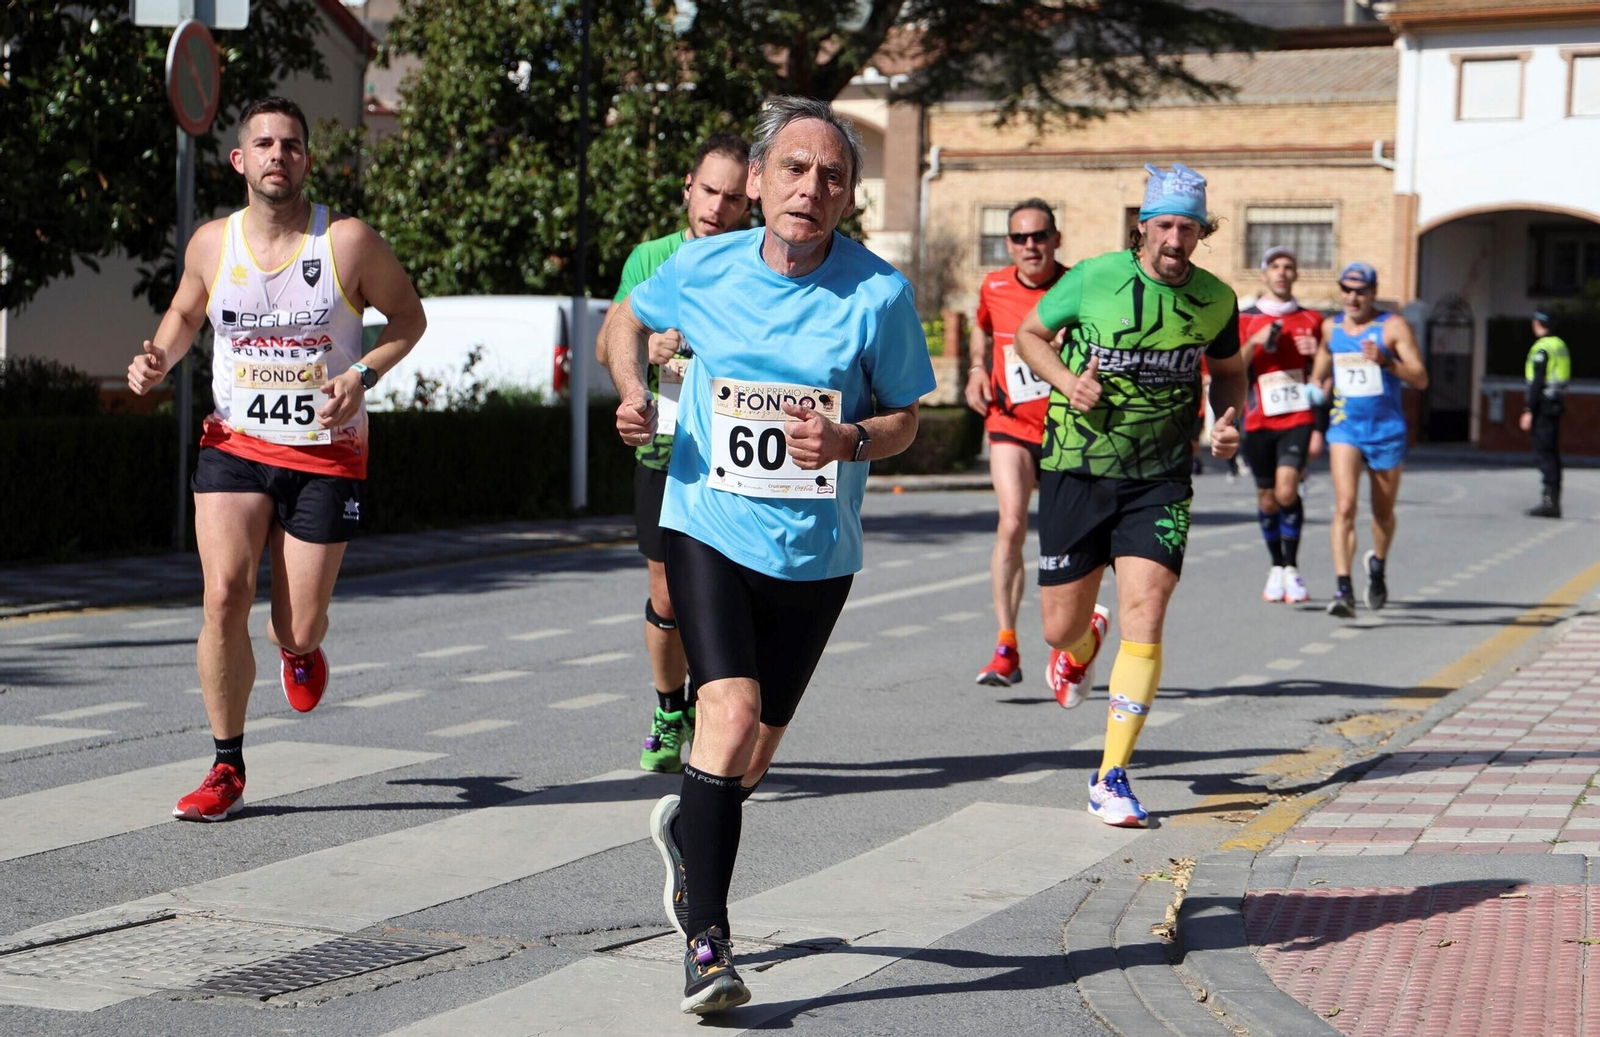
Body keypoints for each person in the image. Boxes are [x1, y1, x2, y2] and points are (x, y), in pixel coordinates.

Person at [601, 96, 934, 1015]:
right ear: (757, 181)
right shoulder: (699, 268)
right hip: (709, 521)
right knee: (730, 711)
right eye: (793, 169)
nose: (810, 189)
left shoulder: (879, 294)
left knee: (750, 755)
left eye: (832, 176)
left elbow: (908, 418)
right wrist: (634, 392)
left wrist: (852, 439)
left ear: (849, 196)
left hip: (818, 554)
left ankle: (688, 835)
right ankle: (706, 940)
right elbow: (621, 326)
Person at [126, 97, 425, 821]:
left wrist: (363, 376)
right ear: (239, 160)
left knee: (298, 625)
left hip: (326, 452)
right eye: (263, 143)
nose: (277, 155)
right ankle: (225, 765)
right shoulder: (210, 244)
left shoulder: (346, 243)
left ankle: (297, 648)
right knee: (222, 595)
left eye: (291, 144)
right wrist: (159, 355)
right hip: (235, 443)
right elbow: (187, 310)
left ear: (307, 161)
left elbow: (409, 320)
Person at [1013, 163, 1245, 827]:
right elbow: (1030, 335)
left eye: (1190, 227)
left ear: (1204, 231)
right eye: (1166, 224)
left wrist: (1227, 423)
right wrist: (1065, 381)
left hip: (1161, 476)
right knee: (1058, 625)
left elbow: (1229, 372)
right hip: (1076, 467)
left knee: (1148, 607)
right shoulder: (1092, 278)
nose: (1176, 239)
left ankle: (1110, 774)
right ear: (1143, 225)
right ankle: (1082, 643)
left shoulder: (1215, 299)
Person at [598, 133, 751, 772]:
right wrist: (642, 370)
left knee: (719, 595)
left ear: (752, 205)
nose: (717, 206)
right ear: (687, 187)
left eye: (733, 198)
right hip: (668, 448)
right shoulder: (652, 258)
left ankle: (714, 706)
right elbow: (614, 339)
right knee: (666, 594)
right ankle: (670, 710)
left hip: (736, 455)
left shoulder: (757, 262)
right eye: (708, 190)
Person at [964, 199, 1068, 690]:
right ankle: (1006, 645)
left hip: (1068, 428)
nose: (1031, 246)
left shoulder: (1076, 287)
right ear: (1009, 245)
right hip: (1010, 422)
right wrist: (976, 370)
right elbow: (981, 329)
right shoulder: (995, 285)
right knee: (1011, 524)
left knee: (1066, 540)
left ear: (1055, 240)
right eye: (1021, 238)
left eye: (1039, 236)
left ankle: (1070, 642)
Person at [1310, 261, 1428, 618]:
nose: (1352, 297)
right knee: (1345, 505)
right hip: (1345, 427)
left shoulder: (1392, 327)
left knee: (1382, 514)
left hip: (1386, 431)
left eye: (1359, 291)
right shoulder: (1331, 329)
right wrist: (1317, 385)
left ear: (1373, 293)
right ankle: (1343, 588)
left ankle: (1377, 565)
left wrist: (1387, 362)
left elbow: (1420, 378)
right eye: (1346, 290)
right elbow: (1321, 366)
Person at [1238, 246, 1322, 604]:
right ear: (1264, 274)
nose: (1282, 272)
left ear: (1296, 275)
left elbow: (1324, 371)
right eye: (1275, 266)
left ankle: (1291, 566)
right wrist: (1255, 342)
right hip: (1258, 421)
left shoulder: (1312, 319)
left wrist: (1316, 352)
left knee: (1288, 491)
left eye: (1289, 266)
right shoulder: (1246, 320)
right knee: (1268, 499)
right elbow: (1231, 369)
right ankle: (1276, 567)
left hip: (1298, 417)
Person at [1521, 309, 1568, 518]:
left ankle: (1549, 503)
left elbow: (1537, 381)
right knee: (1552, 453)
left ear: (1539, 323)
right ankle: (1553, 501)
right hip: (1555, 403)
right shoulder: (1559, 345)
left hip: (1544, 405)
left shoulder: (1542, 348)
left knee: (1544, 453)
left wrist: (1529, 409)